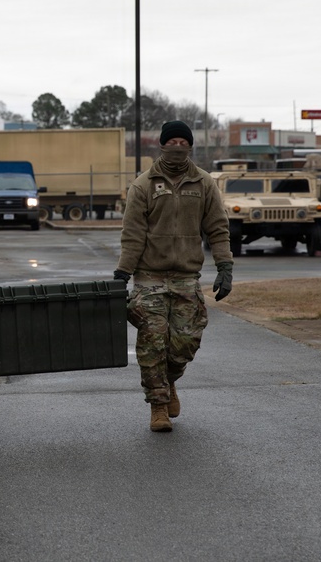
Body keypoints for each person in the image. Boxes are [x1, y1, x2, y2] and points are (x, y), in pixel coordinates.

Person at [114, 120, 233, 432]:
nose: (177, 148)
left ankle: (168, 382)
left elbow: (218, 229)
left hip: (186, 278)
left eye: (183, 142)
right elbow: (133, 235)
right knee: (152, 342)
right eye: (172, 142)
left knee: (185, 343)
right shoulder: (143, 185)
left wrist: (225, 266)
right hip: (149, 277)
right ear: (162, 146)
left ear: (190, 146)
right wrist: (122, 273)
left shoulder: (204, 184)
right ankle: (158, 406)